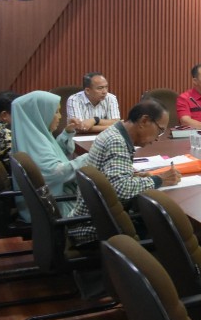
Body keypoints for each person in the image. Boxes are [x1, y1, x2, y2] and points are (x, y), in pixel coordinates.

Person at [67, 99, 181, 246]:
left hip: (91, 218)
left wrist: (133, 176)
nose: (157, 139)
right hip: (94, 227)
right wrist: (159, 180)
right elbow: (121, 189)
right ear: (144, 121)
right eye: (160, 130)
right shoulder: (117, 141)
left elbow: (111, 180)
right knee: (168, 229)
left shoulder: (114, 131)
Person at [11, 90, 88, 219]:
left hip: (50, 200)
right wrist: (89, 157)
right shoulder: (35, 142)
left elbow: (55, 154)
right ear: (40, 114)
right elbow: (56, 173)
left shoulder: (33, 134)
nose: (60, 116)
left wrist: (67, 132)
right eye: (56, 112)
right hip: (57, 205)